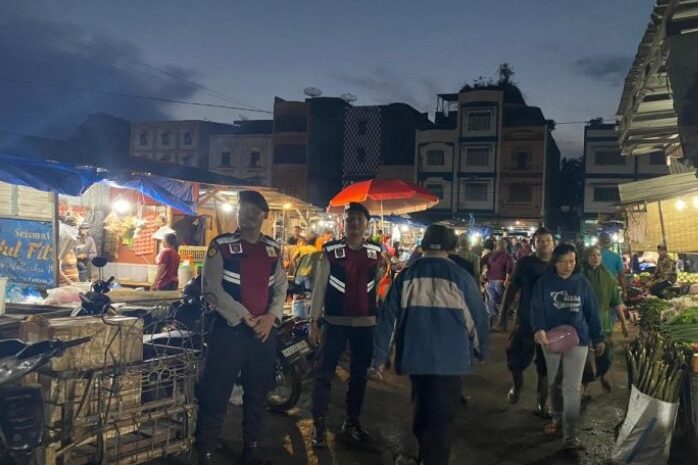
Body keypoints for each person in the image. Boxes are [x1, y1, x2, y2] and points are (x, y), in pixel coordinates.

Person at [373, 224, 489, 465]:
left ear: (422, 246)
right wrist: (481, 349)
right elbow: (477, 319)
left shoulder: (406, 276)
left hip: (416, 359)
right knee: (442, 420)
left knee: (423, 411)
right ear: (452, 248)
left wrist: (378, 359)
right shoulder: (462, 278)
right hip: (451, 361)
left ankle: (426, 457)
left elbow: (388, 320)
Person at [196, 191, 287, 465]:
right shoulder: (221, 245)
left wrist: (272, 317)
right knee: (215, 393)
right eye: (244, 208)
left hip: (263, 335)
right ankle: (207, 450)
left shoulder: (273, 249)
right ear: (237, 212)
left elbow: (281, 286)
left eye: (255, 210)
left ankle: (253, 448)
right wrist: (244, 315)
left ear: (265, 216)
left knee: (258, 395)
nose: (249, 213)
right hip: (229, 333)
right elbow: (210, 288)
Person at [308, 202, 384, 448]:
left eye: (359, 220)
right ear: (344, 223)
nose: (354, 224)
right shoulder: (331, 251)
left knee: (359, 377)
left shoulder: (376, 252)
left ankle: (352, 421)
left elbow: (381, 279)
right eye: (350, 219)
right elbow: (319, 287)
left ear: (366, 225)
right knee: (324, 375)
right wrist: (313, 321)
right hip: (334, 322)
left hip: (365, 324)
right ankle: (319, 425)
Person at [531, 243, 604, 450]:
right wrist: (538, 329)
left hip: (578, 340)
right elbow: (536, 309)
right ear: (555, 262)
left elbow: (591, 312)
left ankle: (570, 436)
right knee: (555, 382)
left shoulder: (583, 283)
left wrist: (598, 338)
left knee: (572, 388)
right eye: (563, 261)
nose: (568, 265)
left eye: (571, 261)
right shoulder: (544, 283)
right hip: (551, 340)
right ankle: (556, 417)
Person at [500, 227, 555, 417]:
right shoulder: (525, 263)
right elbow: (512, 288)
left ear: (553, 242)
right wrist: (502, 313)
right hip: (526, 320)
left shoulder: (559, 264)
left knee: (546, 364)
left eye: (547, 240)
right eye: (540, 241)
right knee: (516, 360)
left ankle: (542, 401)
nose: (544, 244)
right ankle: (517, 385)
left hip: (551, 323)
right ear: (534, 244)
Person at [581, 246, 629, 399]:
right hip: (582, 323)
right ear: (586, 258)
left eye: (598, 255)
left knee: (605, 353)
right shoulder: (579, 277)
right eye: (592, 255)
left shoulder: (608, 277)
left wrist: (623, 322)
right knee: (584, 357)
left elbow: (616, 301)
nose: (595, 257)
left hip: (603, 322)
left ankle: (603, 376)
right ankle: (585, 387)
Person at [483, 238, 514, 324]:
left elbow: (482, 261)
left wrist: (485, 272)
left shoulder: (490, 255)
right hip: (501, 281)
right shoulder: (507, 256)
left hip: (490, 281)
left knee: (492, 300)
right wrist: (507, 280)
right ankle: (502, 322)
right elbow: (509, 269)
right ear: (505, 246)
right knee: (503, 302)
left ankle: (491, 319)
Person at [290, 236, 319, 318]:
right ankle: (308, 316)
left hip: (299, 274)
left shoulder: (302, 248)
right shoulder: (315, 250)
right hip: (310, 275)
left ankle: (297, 317)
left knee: (296, 295)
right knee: (308, 296)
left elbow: (293, 258)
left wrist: (296, 268)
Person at [598, 232, 627, 300]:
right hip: (612, 290)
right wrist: (624, 292)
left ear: (599, 242)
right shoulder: (616, 256)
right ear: (610, 242)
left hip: (597, 290)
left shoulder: (593, 256)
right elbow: (622, 276)